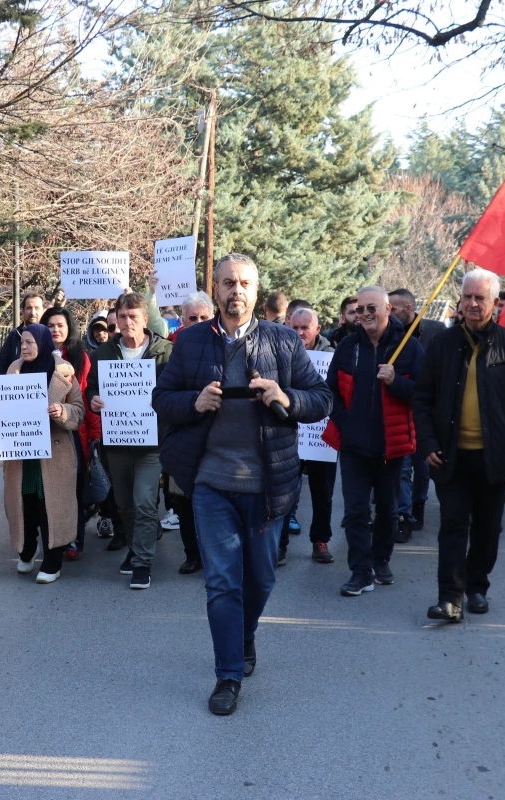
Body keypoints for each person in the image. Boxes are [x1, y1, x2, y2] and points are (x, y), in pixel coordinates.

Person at [153, 253, 331, 716]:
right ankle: (228, 674)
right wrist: (195, 401)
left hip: (269, 484)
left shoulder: (285, 341)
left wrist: (284, 396)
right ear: (216, 289)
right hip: (211, 481)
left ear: (256, 290)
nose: (237, 291)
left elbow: (321, 400)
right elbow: (161, 399)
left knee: (261, 578)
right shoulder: (190, 342)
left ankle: (244, 633)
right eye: (229, 282)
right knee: (222, 582)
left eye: (245, 283)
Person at [413, 269, 505, 622]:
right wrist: (427, 441)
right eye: (467, 297)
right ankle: (450, 598)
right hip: (449, 456)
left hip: (493, 456)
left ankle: (477, 587)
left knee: (488, 527)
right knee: (453, 525)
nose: (471, 304)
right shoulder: (441, 343)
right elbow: (422, 397)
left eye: (479, 298)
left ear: (495, 303)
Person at [328, 288, 423, 595]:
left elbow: (423, 394)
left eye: (371, 308)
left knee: (387, 509)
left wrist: (397, 382)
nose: (364, 314)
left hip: (391, 447)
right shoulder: (347, 346)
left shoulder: (409, 347)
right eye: (359, 309)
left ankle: (381, 559)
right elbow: (331, 391)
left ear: (387, 309)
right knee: (355, 511)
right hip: (354, 447)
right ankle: (360, 571)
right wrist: (346, 424)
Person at [87, 292, 173, 589]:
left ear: (145, 319)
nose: (126, 322)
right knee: (124, 504)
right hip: (118, 442)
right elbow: (92, 389)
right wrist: (93, 401)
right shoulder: (103, 353)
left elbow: (176, 391)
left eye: (133, 316)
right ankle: (137, 547)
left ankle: (142, 563)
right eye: (121, 317)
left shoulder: (166, 351)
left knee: (145, 502)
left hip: (152, 443)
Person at [0, 324, 84, 584]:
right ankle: (27, 550)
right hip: (22, 456)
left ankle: (53, 560)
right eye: (22, 342)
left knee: (50, 508)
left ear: (43, 344)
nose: (24, 347)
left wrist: (62, 411)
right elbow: (3, 419)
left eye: (30, 342)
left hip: (53, 456)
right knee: (25, 506)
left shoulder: (63, 373)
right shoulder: (13, 372)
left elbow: (79, 411)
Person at [163, 291, 215, 573]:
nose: (197, 322)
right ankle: (192, 554)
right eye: (192, 317)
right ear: (182, 320)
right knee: (183, 502)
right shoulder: (175, 347)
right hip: (182, 436)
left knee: (211, 504)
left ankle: (212, 556)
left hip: (215, 440)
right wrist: (194, 403)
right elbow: (163, 395)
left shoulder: (223, 345)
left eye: (203, 317)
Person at [388, 288, 447, 537]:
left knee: (423, 467)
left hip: (429, 411)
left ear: (409, 309)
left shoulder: (436, 331)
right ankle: (404, 515)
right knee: (401, 466)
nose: (389, 313)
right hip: (400, 407)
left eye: (394, 308)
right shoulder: (390, 333)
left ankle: (418, 505)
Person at [42, 306, 99, 560]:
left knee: (73, 488)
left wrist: (94, 435)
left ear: (69, 329)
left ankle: (74, 539)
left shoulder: (80, 356)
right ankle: (52, 539)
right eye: (51, 325)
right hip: (42, 432)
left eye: (60, 325)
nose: (55, 330)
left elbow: (84, 400)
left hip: (74, 429)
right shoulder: (36, 354)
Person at [284, 307, 337, 564]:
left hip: (321, 436)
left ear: (318, 329)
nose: (299, 332)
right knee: (283, 489)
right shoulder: (280, 351)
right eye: (294, 327)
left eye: (305, 327)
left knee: (322, 491)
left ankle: (320, 540)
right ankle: (279, 543)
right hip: (289, 433)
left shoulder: (332, 356)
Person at [0, 293, 46, 375]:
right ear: (22, 312)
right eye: (29, 308)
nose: (33, 312)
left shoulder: (50, 336)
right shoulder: (14, 335)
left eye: (37, 308)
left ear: (44, 311)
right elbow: (2, 367)